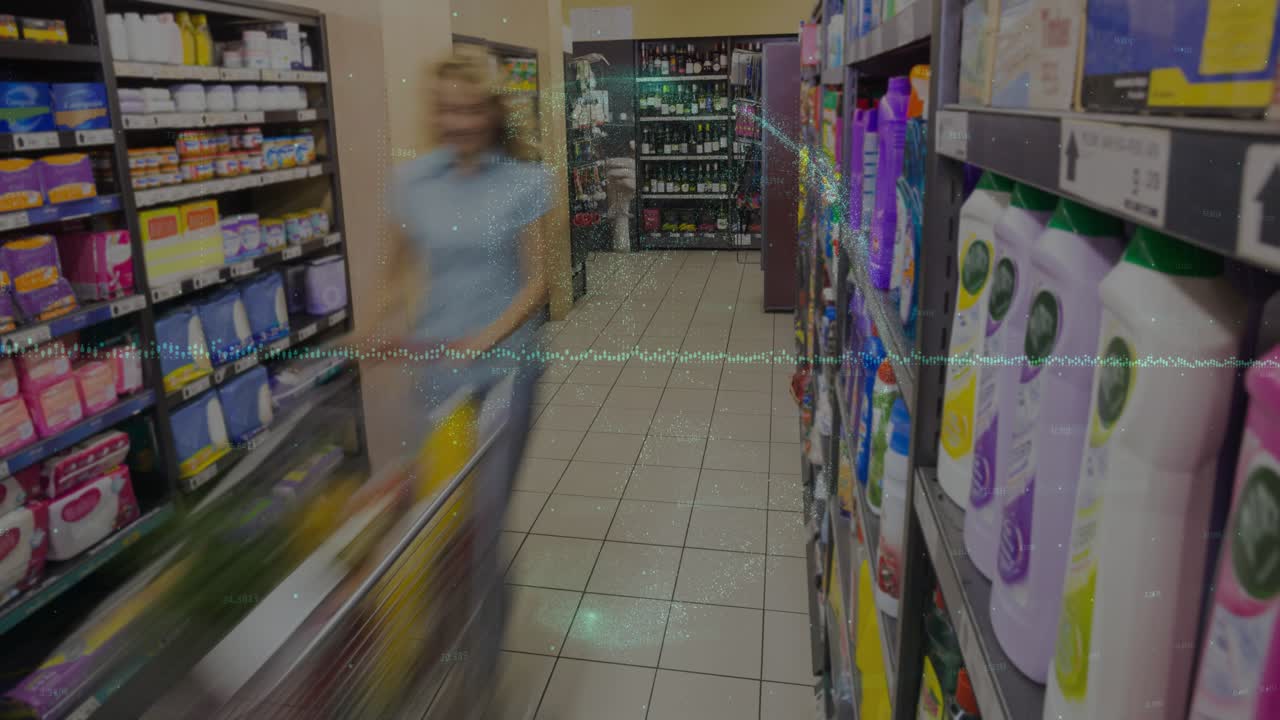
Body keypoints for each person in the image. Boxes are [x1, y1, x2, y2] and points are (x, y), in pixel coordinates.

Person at [377, 54, 551, 718]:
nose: (460, 122)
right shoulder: (410, 181)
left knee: (482, 526)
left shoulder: (527, 181)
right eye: (448, 108)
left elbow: (538, 281)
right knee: (437, 521)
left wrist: (491, 334)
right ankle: (440, 640)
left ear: (493, 112)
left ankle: (480, 677)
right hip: (438, 379)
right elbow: (395, 272)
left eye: (473, 109)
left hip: (507, 376)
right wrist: (383, 322)